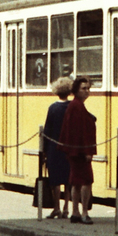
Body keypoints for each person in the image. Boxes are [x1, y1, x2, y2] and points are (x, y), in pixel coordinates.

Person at [60, 76, 97, 223]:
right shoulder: (77, 106)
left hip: (75, 151)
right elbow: (79, 131)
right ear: (76, 90)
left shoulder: (75, 105)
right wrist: (87, 151)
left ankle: (75, 212)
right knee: (87, 181)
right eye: (84, 89)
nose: (87, 92)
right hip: (80, 151)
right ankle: (84, 212)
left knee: (76, 181)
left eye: (88, 88)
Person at [41, 76, 72, 219]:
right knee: (67, 178)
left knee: (55, 179)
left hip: (54, 147)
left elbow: (47, 130)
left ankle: (56, 207)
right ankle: (66, 207)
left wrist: (45, 150)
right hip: (69, 147)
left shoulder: (53, 108)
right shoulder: (72, 107)